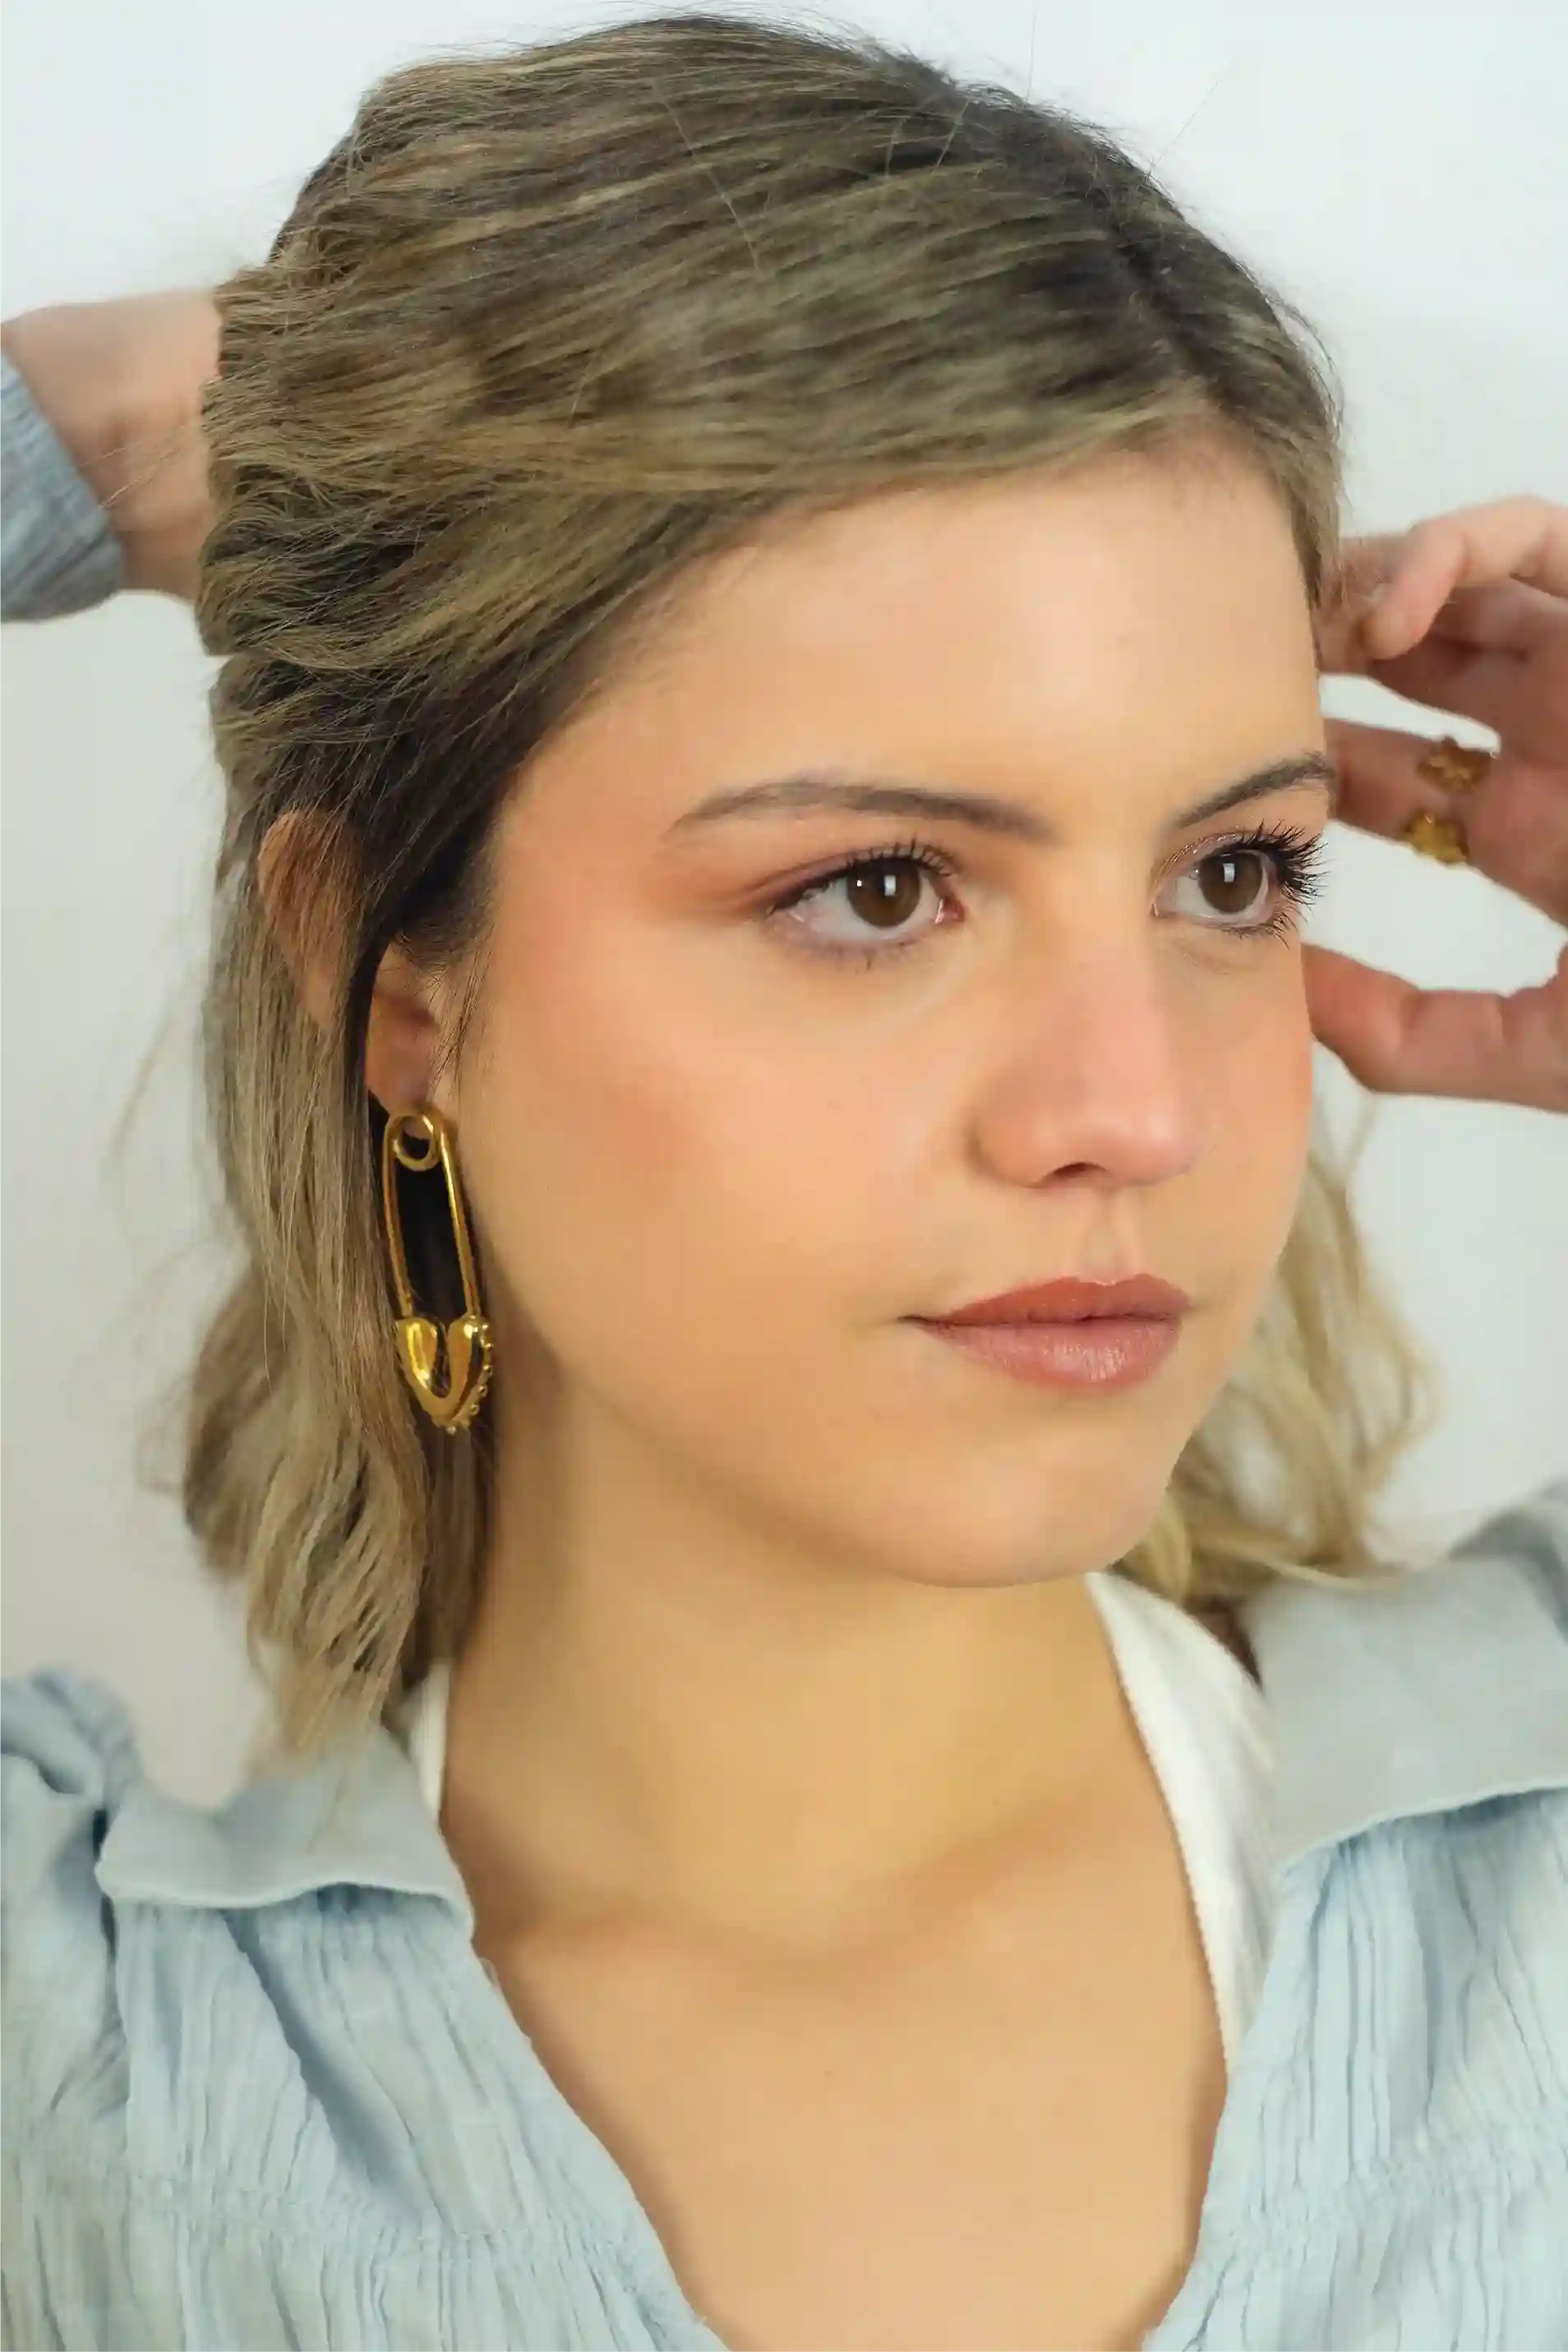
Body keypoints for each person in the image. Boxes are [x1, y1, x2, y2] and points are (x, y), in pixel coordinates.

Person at [1, 16, 1565, 2350]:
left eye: (1234, 869)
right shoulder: (88, 2082)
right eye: (873, 890)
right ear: (385, 974)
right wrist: (135, 434)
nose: (1128, 1108)